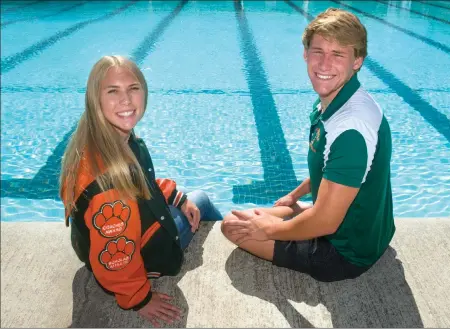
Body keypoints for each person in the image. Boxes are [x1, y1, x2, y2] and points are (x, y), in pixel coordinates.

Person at [222, 8, 395, 282]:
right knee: (247, 217)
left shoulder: (351, 129)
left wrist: (269, 230)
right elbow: (330, 168)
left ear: (357, 61)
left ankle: (290, 223)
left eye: (338, 54)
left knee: (232, 226)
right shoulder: (335, 103)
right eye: (318, 51)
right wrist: (294, 196)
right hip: (366, 226)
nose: (324, 65)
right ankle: (291, 214)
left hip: (346, 251)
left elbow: (326, 222)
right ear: (305, 53)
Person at [59, 55, 222, 326]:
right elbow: (117, 256)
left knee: (191, 200)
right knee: (202, 200)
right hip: (145, 253)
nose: (126, 100)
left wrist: (176, 197)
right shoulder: (109, 188)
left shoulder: (103, 140)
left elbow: (141, 182)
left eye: (133, 88)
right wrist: (139, 299)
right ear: (95, 99)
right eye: (113, 91)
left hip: (98, 243)